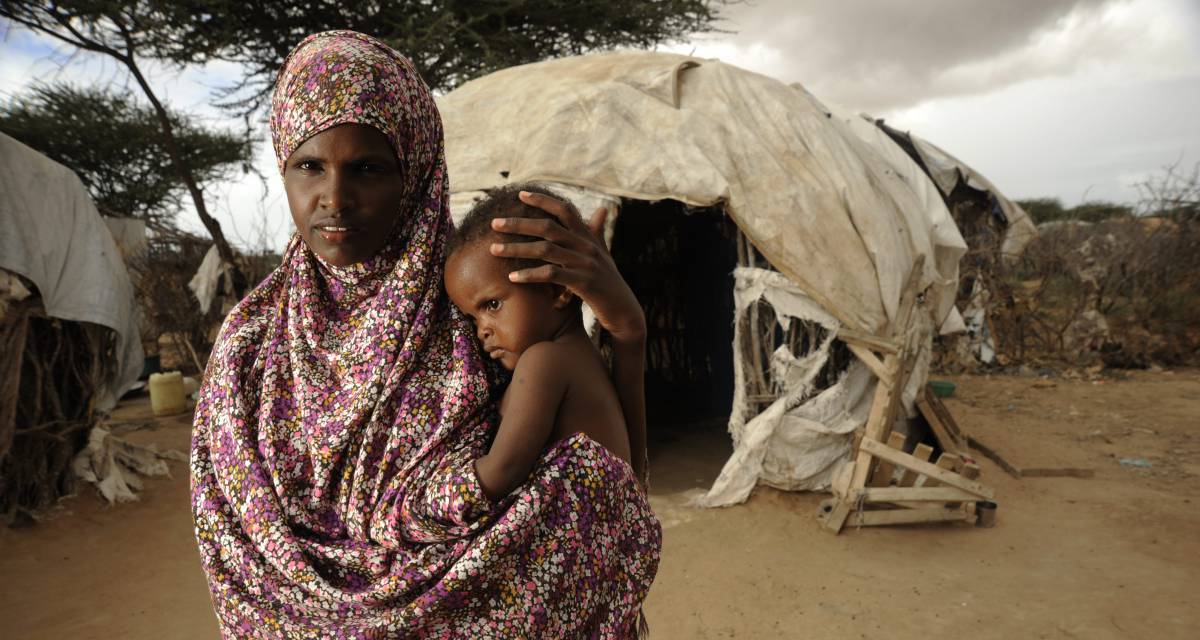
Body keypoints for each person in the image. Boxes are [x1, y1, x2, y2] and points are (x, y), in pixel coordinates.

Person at [190, 31, 660, 638]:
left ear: (415, 170)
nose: (334, 197)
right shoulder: (251, 347)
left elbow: (605, 497)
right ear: (282, 167)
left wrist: (629, 333)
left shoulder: (472, 304)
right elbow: (231, 542)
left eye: (368, 168)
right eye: (309, 166)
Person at [444, 185, 636, 500]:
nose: (482, 331)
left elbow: (500, 472)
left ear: (558, 290)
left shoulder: (545, 362)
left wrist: (426, 498)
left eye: (492, 305)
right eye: (472, 319)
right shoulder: (584, 360)